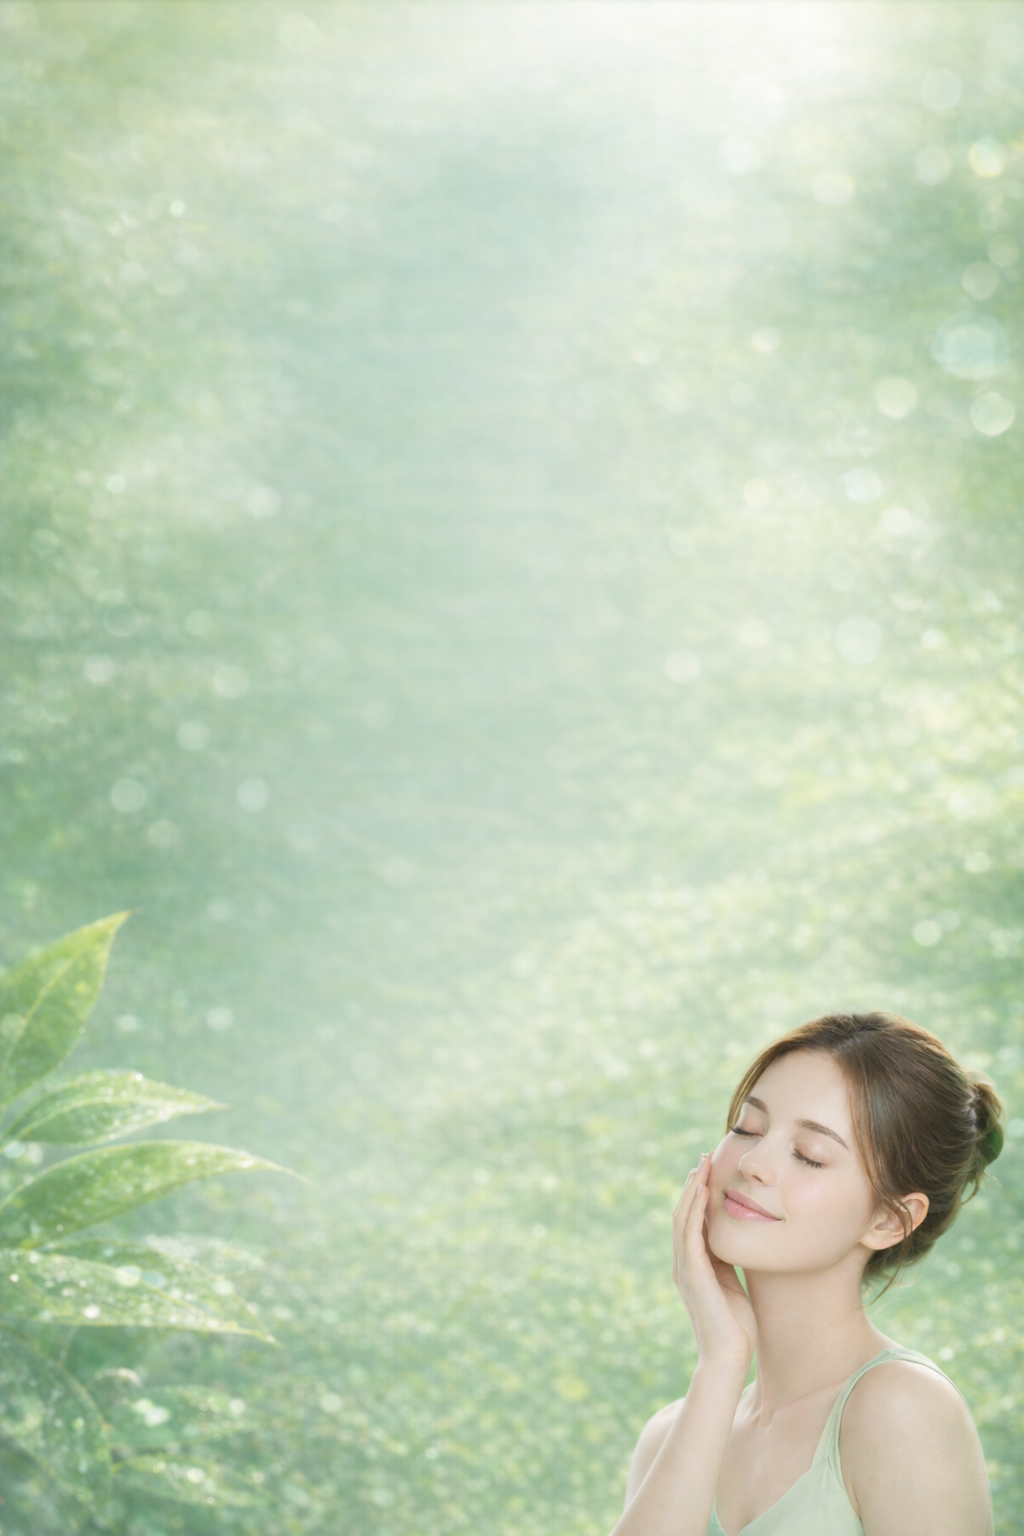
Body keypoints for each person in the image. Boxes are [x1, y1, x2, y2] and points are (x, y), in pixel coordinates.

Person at [612, 1011, 1003, 1536]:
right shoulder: (670, 1435)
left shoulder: (902, 1410)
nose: (753, 1161)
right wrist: (722, 1364)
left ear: (890, 1220)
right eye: (747, 1127)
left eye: (809, 1156)